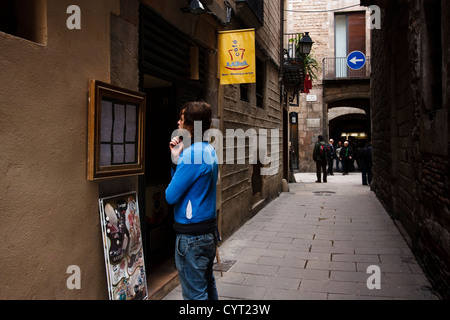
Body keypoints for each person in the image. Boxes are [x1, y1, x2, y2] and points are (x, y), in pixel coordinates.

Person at [165, 101, 219, 300]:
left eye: (181, 119)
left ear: (190, 125)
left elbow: (170, 196)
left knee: (195, 297)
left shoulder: (191, 155)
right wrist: (176, 157)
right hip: (207, 233)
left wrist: (177, 158)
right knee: (207, 286)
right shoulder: (208, 150)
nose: (178, 123)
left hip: (191, 237)